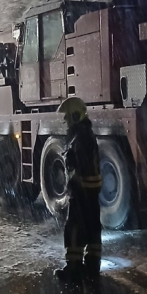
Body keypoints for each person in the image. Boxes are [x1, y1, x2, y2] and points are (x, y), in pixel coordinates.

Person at [54, 97, 103, 282]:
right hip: (91, 190)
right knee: (92, 227)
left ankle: (73, 268)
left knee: (74, 227)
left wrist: (73, 184)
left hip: (81, 190)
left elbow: (78, 165)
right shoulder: (86, 133)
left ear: (75, 115)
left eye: (67, 116)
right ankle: (92, 266)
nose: (65, 120)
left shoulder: (79, 136)